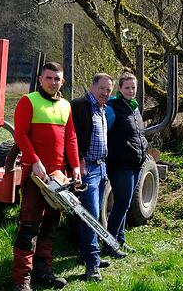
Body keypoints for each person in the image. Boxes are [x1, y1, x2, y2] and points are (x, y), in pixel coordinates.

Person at [12, 62, 81, 291]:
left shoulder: (65, 106)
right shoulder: (28, 101)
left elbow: (71, 138)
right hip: (35, 176)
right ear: (41, 79)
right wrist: (35, 161)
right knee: (29, 226)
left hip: (58, 176)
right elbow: (20, 135)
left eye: (57, 78)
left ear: (63, 81)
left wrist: (76, 167)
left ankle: (44, 272)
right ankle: (22, 280)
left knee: (51, 225)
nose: (53, 82)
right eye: (49, 78)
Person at [70, 73, 125, 282]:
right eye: (102, 88)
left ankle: (87, 255)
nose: (105, 93)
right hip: (88, 169)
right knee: (90, 217)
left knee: (92, 215)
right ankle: (92, 265)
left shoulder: (103, 108)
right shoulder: (80, 106)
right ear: (93, 87)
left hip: (102, 168)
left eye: (109, 90)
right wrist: (80, 160)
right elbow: (72, 136)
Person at [105, 71, 147, 253]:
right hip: (120, 163)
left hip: (135, 162)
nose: (131, 91)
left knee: (126, 203)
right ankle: (109, 243)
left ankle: (120, 240)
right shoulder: (112, 107)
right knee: (121, 203)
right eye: (127, 87)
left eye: (133, 87)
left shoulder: (134, 107)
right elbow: (103, 132)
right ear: (120, 89)